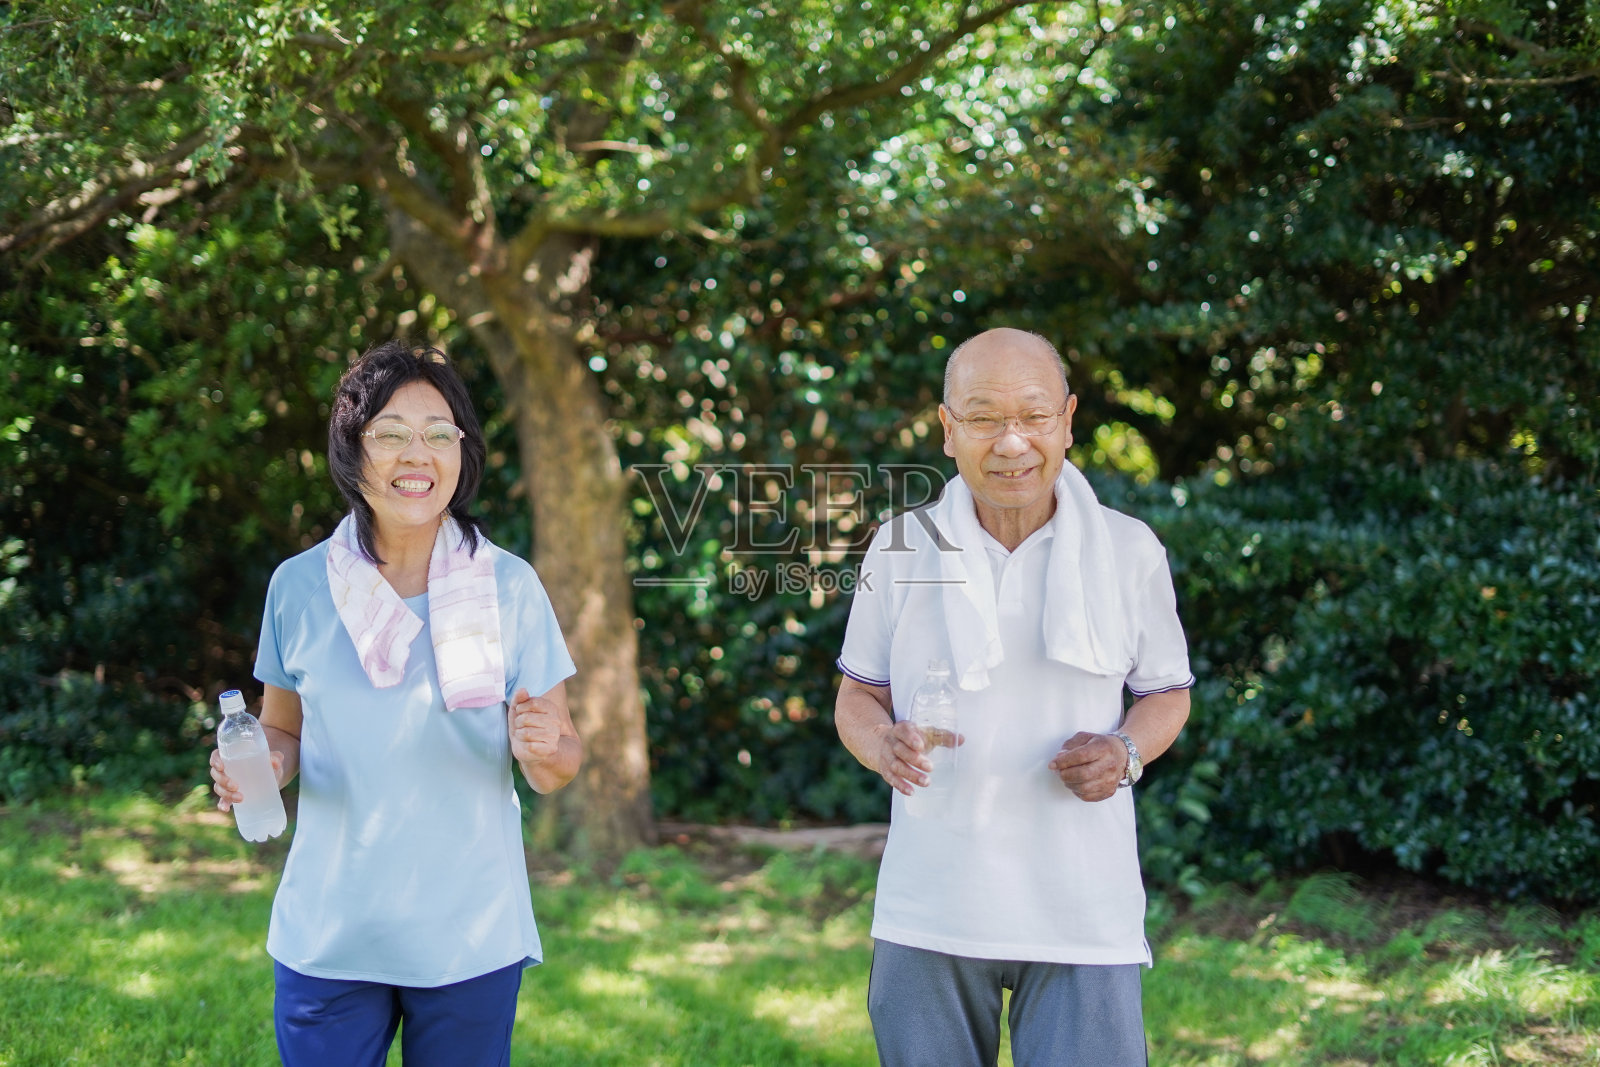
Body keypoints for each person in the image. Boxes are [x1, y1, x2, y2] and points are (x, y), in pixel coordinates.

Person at [209, 340, 582, 1067]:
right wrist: (255, 763)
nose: (419, 454)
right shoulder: (298, 586)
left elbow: (558, 761)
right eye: (391, 433)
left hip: (469, 933)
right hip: (331, 929)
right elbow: (282, 729)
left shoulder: (509, 586)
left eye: (440, 433)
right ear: (354, 449)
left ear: (462, 453)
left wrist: (544, 749)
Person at [834, 327, 1193, 1066]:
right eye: (985, 416)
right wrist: (880, 743)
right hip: (930, 907)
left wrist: (1124, 751)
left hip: (1081, 911)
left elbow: (1167, 695)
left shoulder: (1129, 551)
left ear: (1067, 420)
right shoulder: (901, 545)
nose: (1011, 441)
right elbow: (858, 694)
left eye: (1032, 416)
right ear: (947, 428)